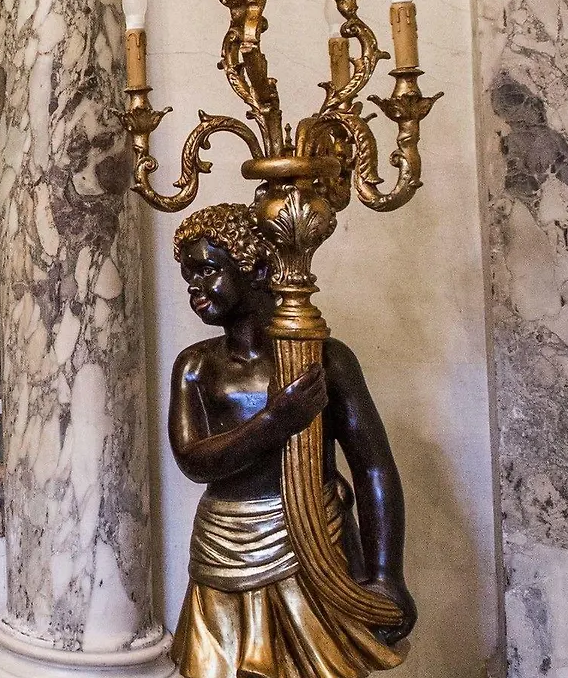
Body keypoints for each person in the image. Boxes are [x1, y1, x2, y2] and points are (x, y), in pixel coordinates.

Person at [167, 203, 414, 678]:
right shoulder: (195, 366)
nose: (194, 286)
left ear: (257, 269)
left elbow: (373, 467)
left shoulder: (325, 359)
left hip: (315, 539)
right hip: (225, 546)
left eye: (208, 270)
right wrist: (274, 421)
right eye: (188, 275)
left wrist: (386, 574)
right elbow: (193, 460)